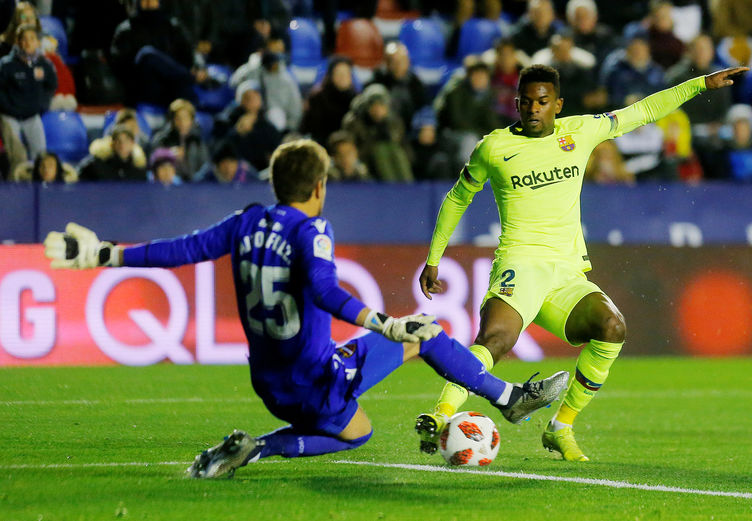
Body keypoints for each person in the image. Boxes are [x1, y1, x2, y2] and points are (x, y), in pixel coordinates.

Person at [43, 138, 569, 478]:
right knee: (363, 421)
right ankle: (508, 398)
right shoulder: (311, 228)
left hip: (268, 381)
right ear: (319, 187)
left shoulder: (245, 220)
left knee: (417, 341)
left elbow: (182, 250)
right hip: (315, 383)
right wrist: (383, 319)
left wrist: (103, 254)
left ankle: (509, 397)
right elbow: (322, 289)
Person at [415, 63, 747, 461]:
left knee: (612, 327)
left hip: (567, 273)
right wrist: (434, 257)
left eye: (542, 102)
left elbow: (642, 111)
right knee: (495, 341)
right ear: (516, 104)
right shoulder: (494, 147)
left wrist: (700, 84)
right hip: (519, 266)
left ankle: (561, 427)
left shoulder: (582, 130)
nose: (533, 109)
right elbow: (456, 198)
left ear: (558, 104)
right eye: (526, 102)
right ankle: (439, 416)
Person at [0, 24, 56, 159]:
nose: (28, 42)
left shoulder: (44, 64)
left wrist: (41, 105)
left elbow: (52, 86)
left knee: (41, 156)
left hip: (32, 116)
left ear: (37, 42)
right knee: (17, 157)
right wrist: (8, 108)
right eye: (24, 39)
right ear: (18, 42)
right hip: (10, 116)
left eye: (32, 38)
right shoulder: (7, 64)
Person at [151, 98, 209, 181]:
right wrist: (169, 153)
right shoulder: (162, 139)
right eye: (178, 118)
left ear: (191, 120)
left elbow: (205, 166)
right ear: (172, 120)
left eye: (185, 118)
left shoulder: (197, 141)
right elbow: (153, 160)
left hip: (194, 188)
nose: (182, 122)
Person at [78, 126, 147, 182]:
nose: (122, 145)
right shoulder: (98, 163)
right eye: (118, 140)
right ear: (112, 144)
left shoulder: (138, 168)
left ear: (132, 143)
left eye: (126, 140)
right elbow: (78, 175)